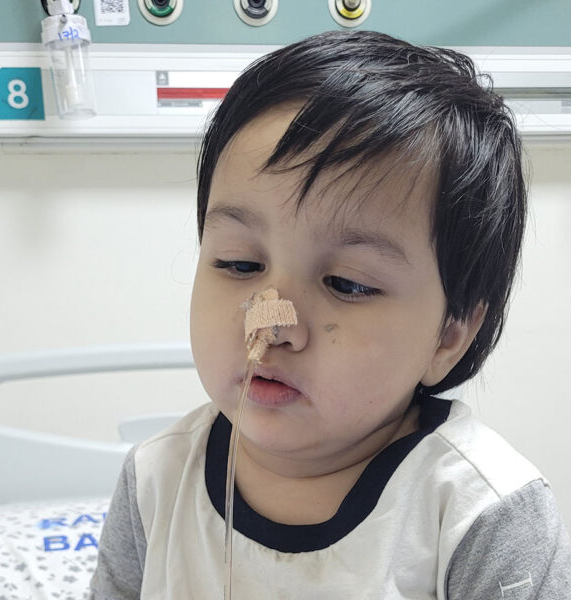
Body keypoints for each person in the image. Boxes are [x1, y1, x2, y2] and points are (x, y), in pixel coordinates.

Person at [90, 30, 571, 598]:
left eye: (347, 284)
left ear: (449, 335)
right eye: (240, 263)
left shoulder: (480, 517)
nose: (270, 324)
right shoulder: (156, 481)